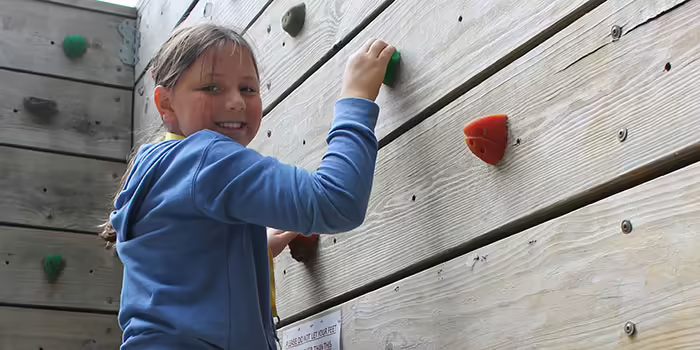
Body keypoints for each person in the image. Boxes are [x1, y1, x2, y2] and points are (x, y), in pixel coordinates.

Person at [99, 22, 395, 349]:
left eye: (248, 89)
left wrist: (253, 248)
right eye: (212, 88)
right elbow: (337, 202)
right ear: (166, 104)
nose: (236, 102)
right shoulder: (206, 157)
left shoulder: (155, 168)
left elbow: (180, 270)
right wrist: (357, 96)